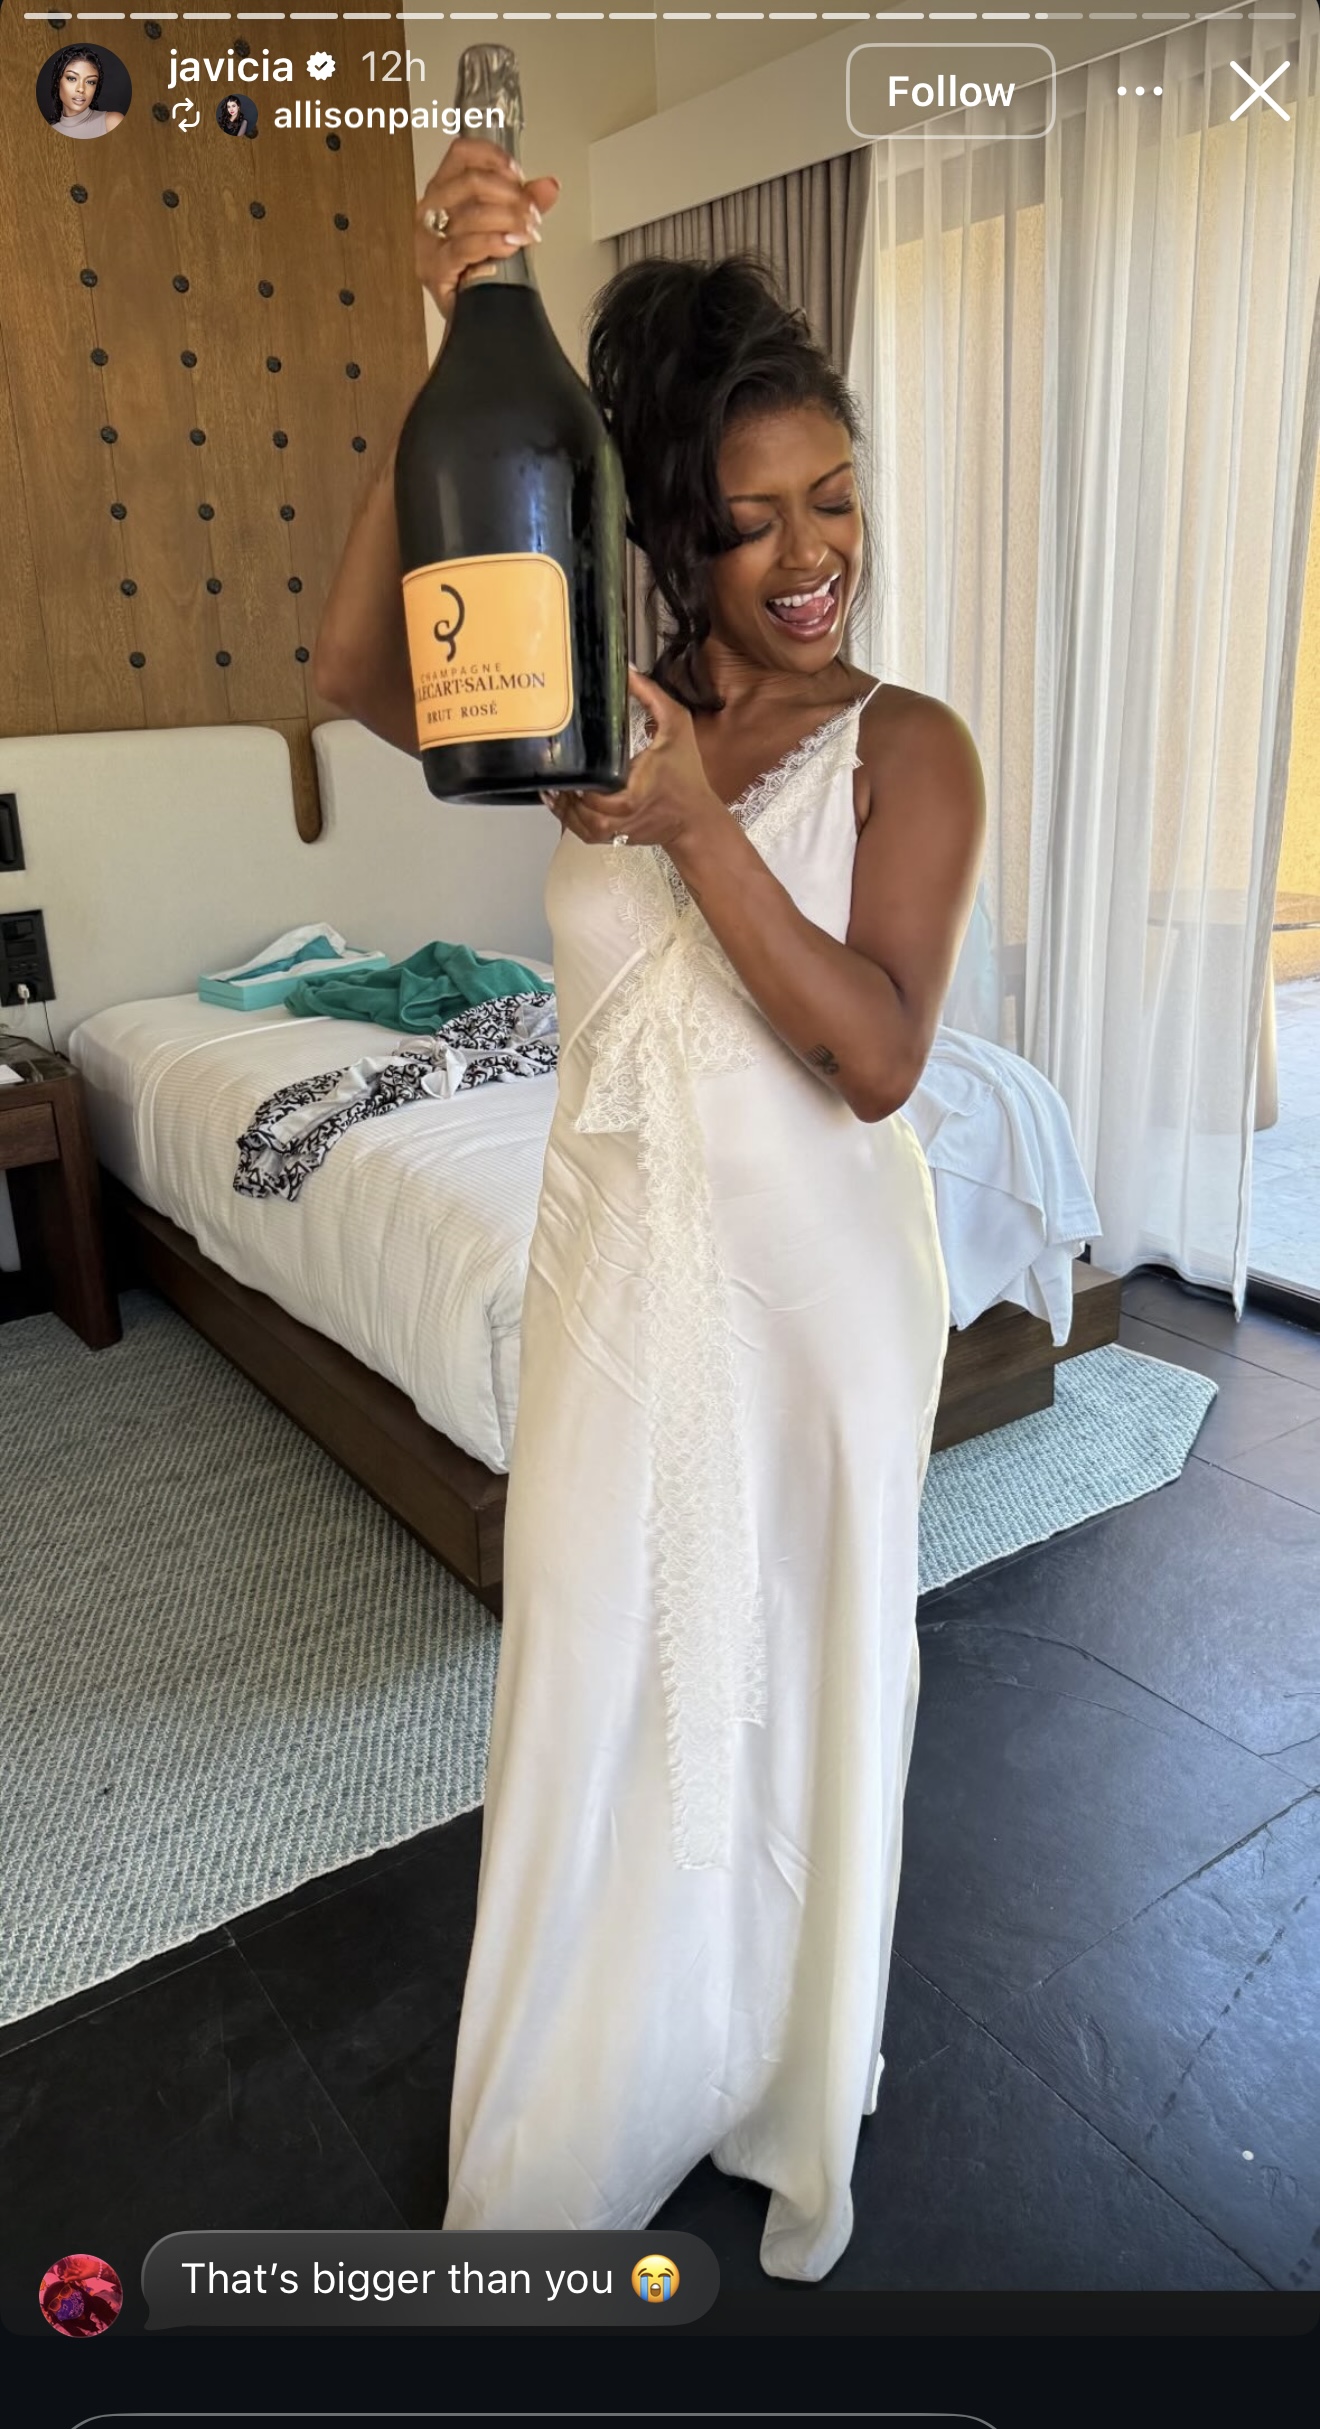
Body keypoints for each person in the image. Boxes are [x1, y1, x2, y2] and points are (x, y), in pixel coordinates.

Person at [313, 138, 984, 2282]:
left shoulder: (910, 743)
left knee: (800, 1674)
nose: (816, 558)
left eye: (839, 500)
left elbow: (874, 1051)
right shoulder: (584, 698)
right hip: (617, 1273)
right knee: (603, 1668)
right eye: (756, 514)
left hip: (820, 1297)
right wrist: (450, 352)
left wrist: (701, 829)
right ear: (665, 527)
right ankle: (603, 2091)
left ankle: (779, 2071)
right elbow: (349, 667)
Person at [47, 49, 123, 136]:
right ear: (57, 82)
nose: (81, 89)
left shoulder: (112, 122)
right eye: (72, 78)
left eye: (90, 82)